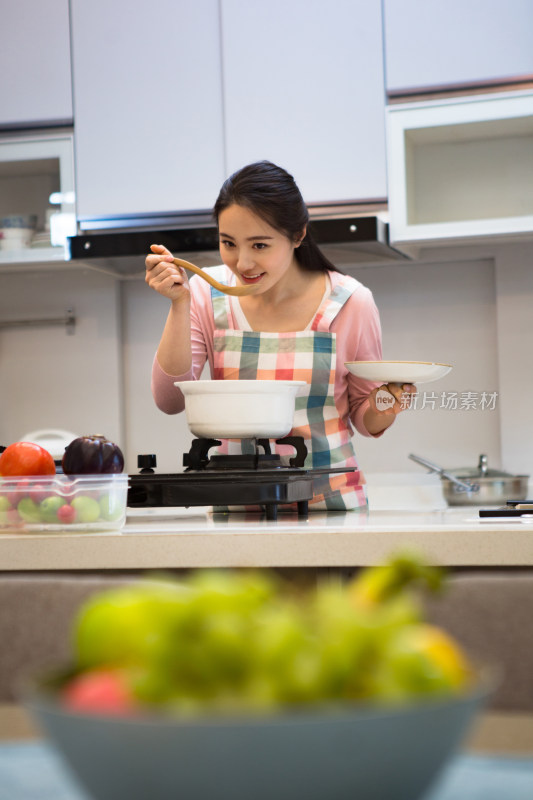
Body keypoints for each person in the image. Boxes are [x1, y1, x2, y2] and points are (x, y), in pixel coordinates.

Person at [146, 160, 414, 511]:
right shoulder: (203, 295)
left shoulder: (349, 302)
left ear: (298, 235)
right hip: (236, 505)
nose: (242, 263)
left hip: (329, 506)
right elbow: (170, 401)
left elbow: (366, 416)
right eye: (229, 243)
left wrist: (388, 404)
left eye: (259, 245)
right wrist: (178, 304)